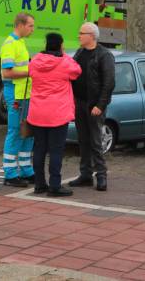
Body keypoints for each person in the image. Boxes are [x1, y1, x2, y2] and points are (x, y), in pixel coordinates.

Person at [27, 33, 82, 196]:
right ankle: (55, 186)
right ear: (60, 45)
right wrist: (63, 54)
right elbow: (77, 71)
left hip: (37, 112)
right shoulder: (65, 62)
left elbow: (29, 72)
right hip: (57, 114)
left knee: (39, 150)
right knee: (56, 151)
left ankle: (39, 184)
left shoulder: (35, 60)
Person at [68, 22, 115, 191]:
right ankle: (85, 174)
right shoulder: (80, 53)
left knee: (96, 141)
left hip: (94, 105)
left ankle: (101, 176)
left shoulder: (104, 55)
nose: (79, 35)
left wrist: (100, 105)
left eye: (82, 33)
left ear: (92, 36)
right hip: (80, 102)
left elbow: (109, 83)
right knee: (83, 140)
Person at [0, 12, 36, 187]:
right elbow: (7, 73)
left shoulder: (20, 42)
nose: (32, 29)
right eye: (30, 26)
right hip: (15, 92)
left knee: (27, 131)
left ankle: (26, 170)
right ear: (20, 25)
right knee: (15, 131)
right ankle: (10, 174)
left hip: (24, 93)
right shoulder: (10, 44)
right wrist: (30, 72)